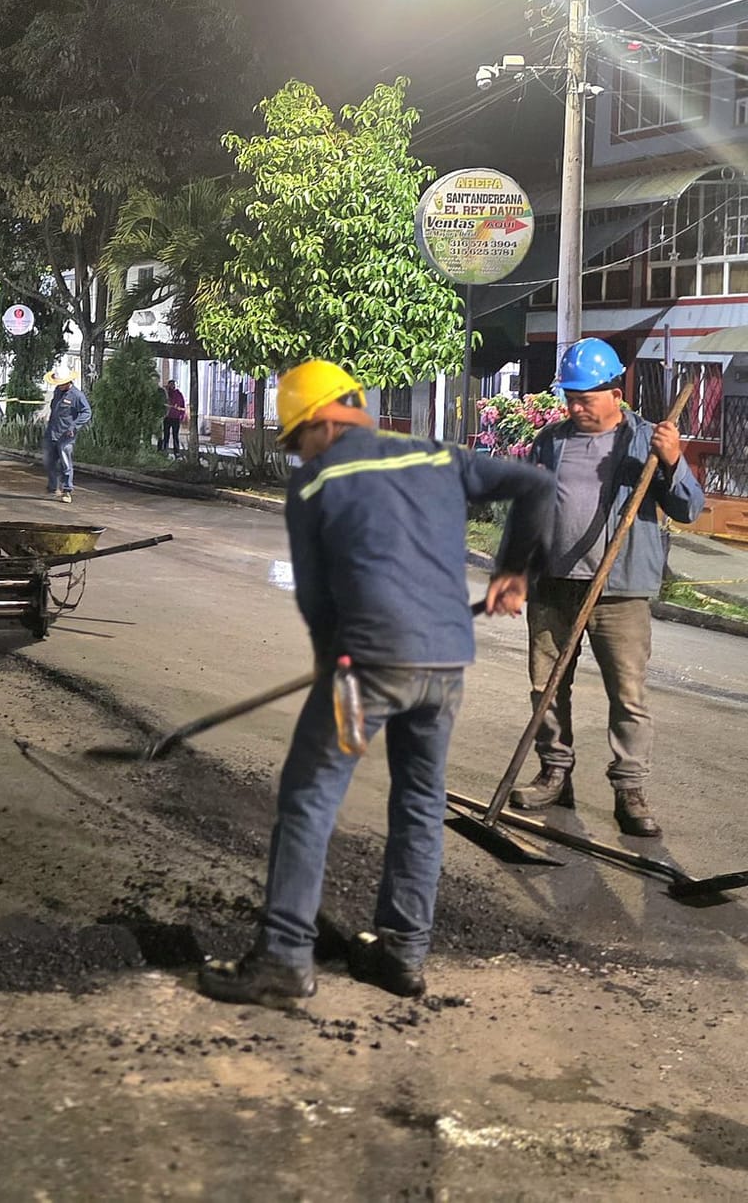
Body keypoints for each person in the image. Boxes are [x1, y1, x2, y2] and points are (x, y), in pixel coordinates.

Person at [198, 360, 552, 1009]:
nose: (299, 450)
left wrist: (332, 663)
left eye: (299, 434)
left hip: (367, 671)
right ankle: (402, 955)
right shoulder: (437, 457)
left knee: (310, 797)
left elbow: (316, 602)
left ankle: (282, 959)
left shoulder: (316, 483)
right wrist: (513, 572)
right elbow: (536, 485)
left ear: (327, 421)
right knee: (419, 802)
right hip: (444, 667)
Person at [488, 338, 705, 838]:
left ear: (614, 391)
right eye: (570, 397)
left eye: (585, 396)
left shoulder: (648, 441)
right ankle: (553, 772)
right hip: (554, 586)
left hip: (619, 588)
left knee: (626, 695)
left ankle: (629, 790)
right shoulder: (551, 441)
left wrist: (672, 463)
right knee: (546, 687)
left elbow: (688, 509)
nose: (575, 406)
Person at [43, 364, 91, 503]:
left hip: (66, 435)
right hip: (52, 432)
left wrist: (74, 426)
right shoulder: (58, 392)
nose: (58, 386)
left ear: (68, 382)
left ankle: (67, 491)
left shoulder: (77, 396)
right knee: (49, 461)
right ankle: (53, 487)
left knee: (65, 463)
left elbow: (87, 412)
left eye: (61, 384)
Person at [161, 380, 187, 456]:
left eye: (173, 384)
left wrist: (181, 416)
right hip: (167, 417)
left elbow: (182, 406)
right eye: (170, 384)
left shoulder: (178, 394)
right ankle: (165, 450)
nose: (172, 386)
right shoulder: (166, 394)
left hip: (176, 418)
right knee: (166, 435)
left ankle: (177, 452)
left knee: (175, 435)